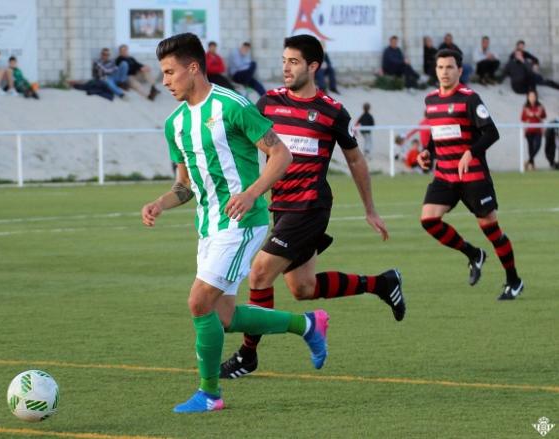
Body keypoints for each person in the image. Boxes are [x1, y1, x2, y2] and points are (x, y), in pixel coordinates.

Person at [143, 32, 329, 414]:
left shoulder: (232, 106)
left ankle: (209, 394)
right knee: (223, 317)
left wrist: (252, 193)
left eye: (170, 72)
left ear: (193, 68)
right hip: (209, 227)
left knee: (198, 303)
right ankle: (307, 325)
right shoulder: (174, 124)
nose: (165, 82)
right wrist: (160, 203)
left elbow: (281, 155)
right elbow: (185, 185)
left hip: (244, 222)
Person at [220, 34, 405, 380]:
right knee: (302, 288)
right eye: (284, 61)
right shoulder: (267, 103)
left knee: (259, 273)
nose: (286, 68)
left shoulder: (333, 112)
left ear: (313, 66)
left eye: (293, 62)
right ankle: (382, 283)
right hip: (281, 207)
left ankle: (248, 355)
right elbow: (244, 142)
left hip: (310, 207)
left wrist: (370, 209)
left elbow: (356, 161)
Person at [417, 49, 523, 300]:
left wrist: (470, 153)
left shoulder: (469, 99)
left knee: (492, 230)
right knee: (428, 220)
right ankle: (474, 254)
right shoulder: (431, 100)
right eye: (441, 67)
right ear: (436, 71)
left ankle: (514, 281)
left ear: (459, 71)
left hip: (473, 177)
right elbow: (438, 133)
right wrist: (427, 152)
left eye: (450, 67)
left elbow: (491, 133)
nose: (445, 72)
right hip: (444, 175)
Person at [520, 90, 546, 171]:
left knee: (538, 145)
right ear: (528, 97)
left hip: (538, 130)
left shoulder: (540, 106)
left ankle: (528, 161)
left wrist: (538, 115)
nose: (532, 98)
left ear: (536, 97)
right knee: (530, 148)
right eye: (530, 96)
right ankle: (532, 165)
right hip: (529, 130)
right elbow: (522, 118)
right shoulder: (525, 107)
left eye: (534, 96)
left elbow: (544, 116)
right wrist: (529, 116)